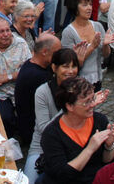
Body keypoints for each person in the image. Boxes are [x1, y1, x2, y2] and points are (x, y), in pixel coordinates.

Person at [38, 76, 114, 184]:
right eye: (86, 102)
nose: (93, 105)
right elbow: (62, 174)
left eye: (92, 99)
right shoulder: (52, 134)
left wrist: (109, 146)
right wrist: (89, 149)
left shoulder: (100, 120)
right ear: (70, 106)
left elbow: (107, 161)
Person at [23, 47, 79, 183]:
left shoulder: (81, 90)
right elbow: (44, 128)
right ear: (54, 68)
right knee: (28, 181)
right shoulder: (43, 92)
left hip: (70, 147)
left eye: (74, 66)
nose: (70, 71)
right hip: (41, 147)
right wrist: (67, 107)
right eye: (65, 66)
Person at [61, 0, 114, 90]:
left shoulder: (98, 26)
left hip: (97, 78)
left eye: (90, 4)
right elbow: (70, 62)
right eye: (85, 5)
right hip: (77, 82)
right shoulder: (68, 32)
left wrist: (106, 45)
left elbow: (106, 55)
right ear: (75, 8)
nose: (89, 8)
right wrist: (92, 47)